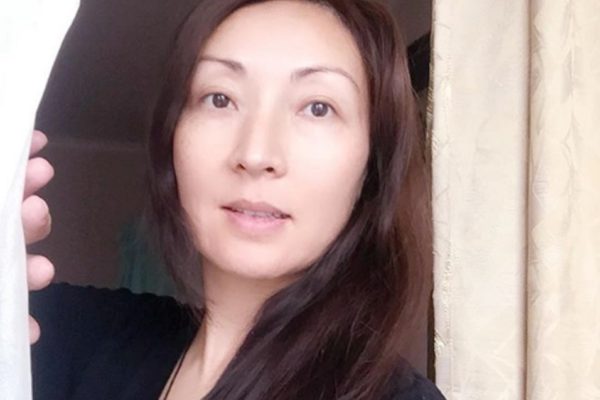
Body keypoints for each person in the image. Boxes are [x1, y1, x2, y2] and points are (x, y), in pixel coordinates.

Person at [24, 0, 445, 399]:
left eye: (318, 107)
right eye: (220, 99)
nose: (256, 155)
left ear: (372, 164)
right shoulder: (76, 337)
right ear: (172, 139)